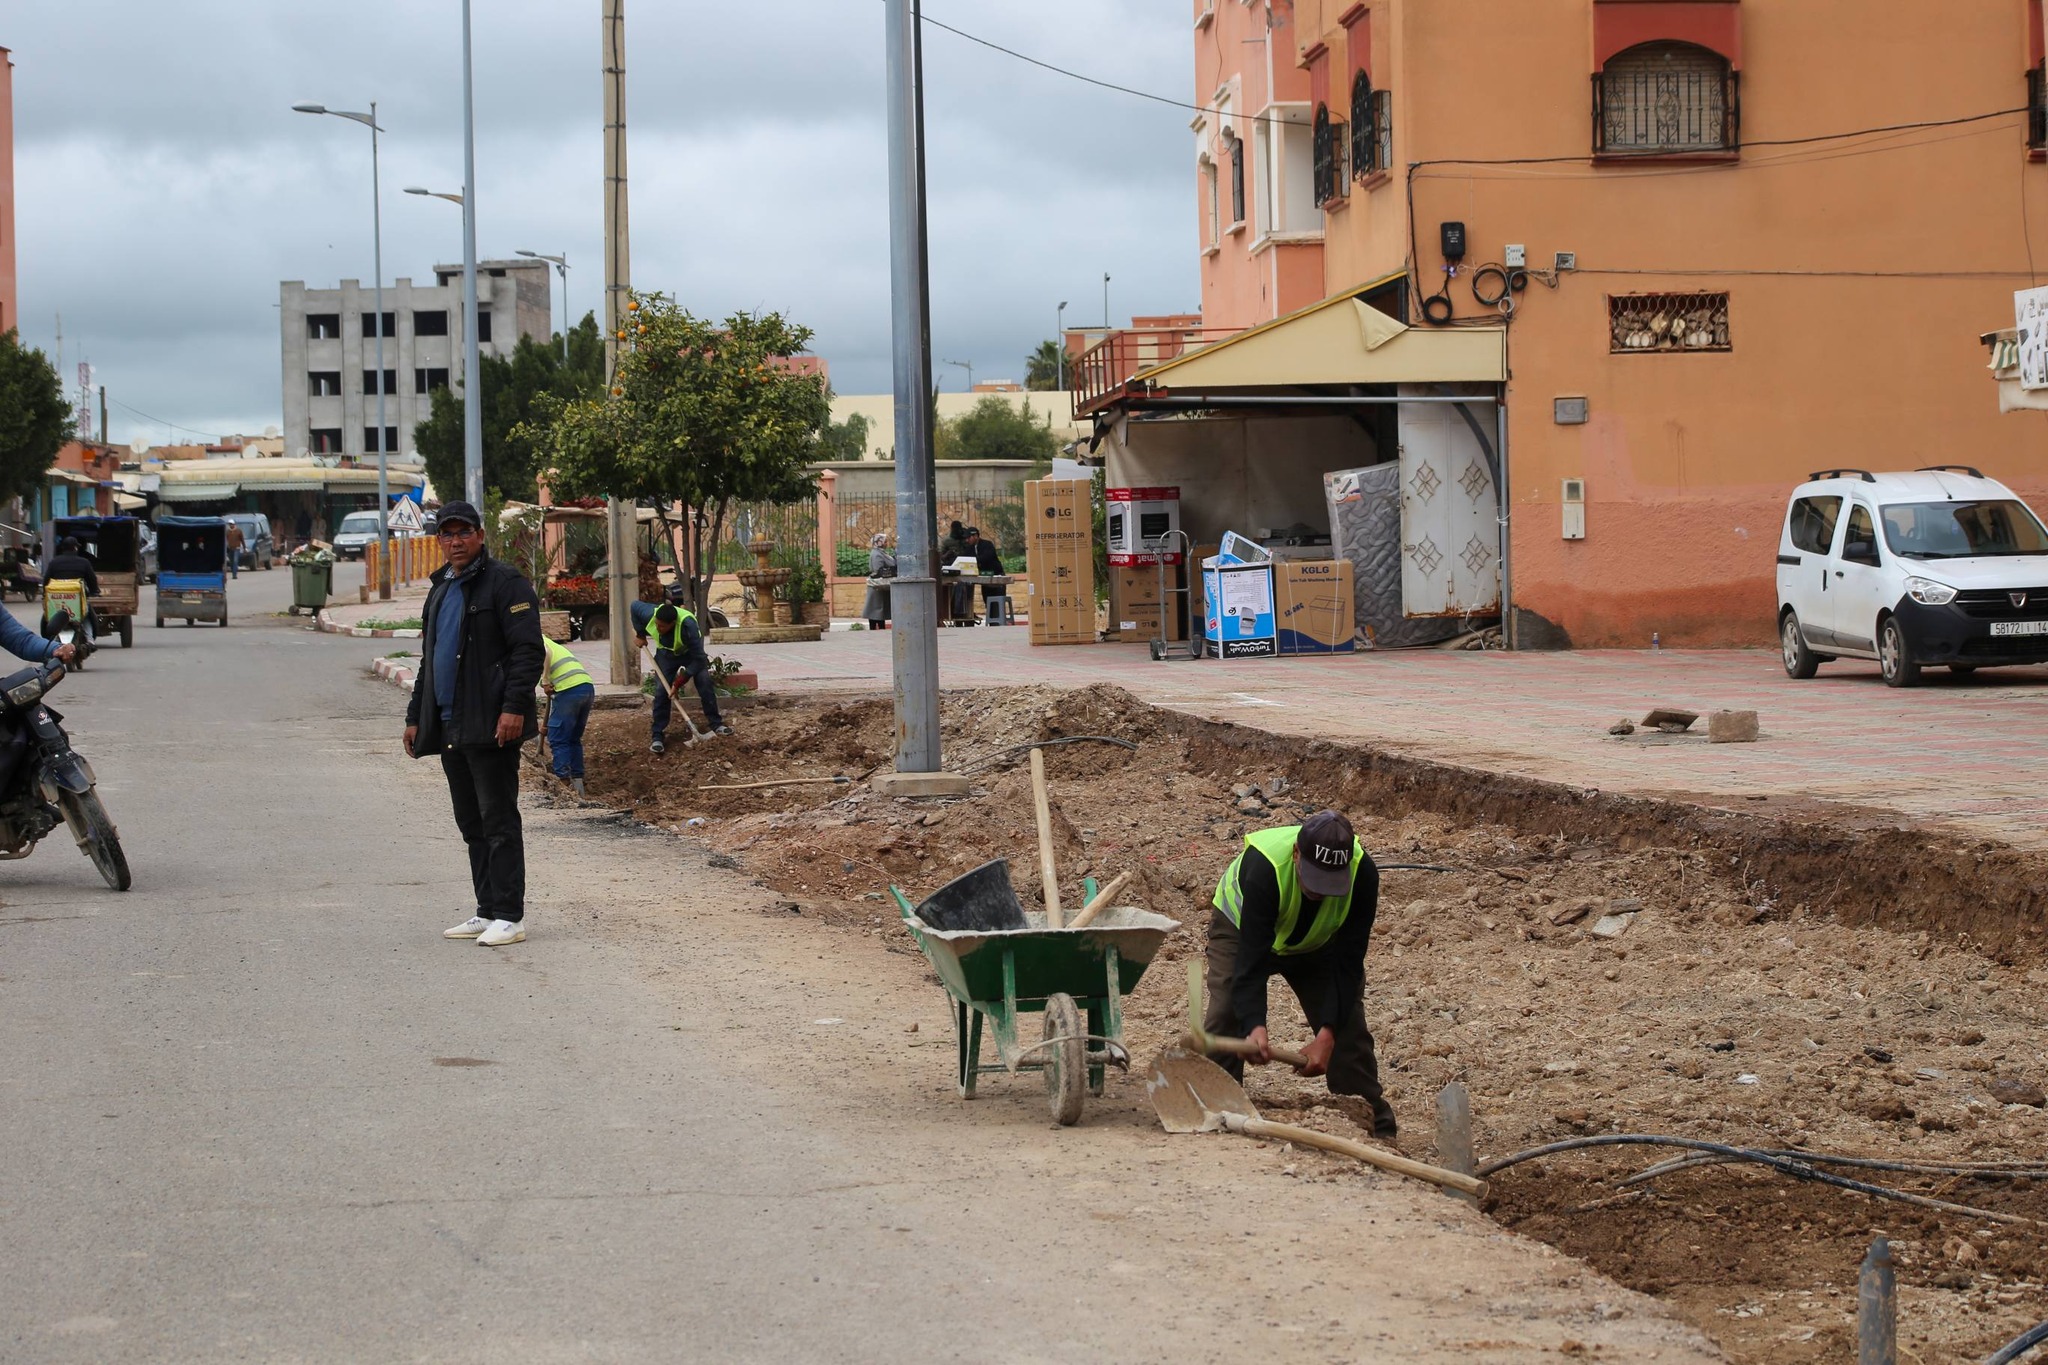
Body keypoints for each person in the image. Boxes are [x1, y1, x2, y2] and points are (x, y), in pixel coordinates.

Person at [404, 501, 544, 949]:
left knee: (498, 818)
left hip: (490, 721)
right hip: (449, 724)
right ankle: (486, 910)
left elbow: (527, 652)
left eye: (464, 532)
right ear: (439, 540)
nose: (456, 541)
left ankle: (510, 915)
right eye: (447, 534)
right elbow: (430, 659)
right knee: (471, 822)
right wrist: (413, 717)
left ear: (481, 536)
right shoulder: (441, 588)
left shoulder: (506, 583)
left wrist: (513, 708)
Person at [1204, 809, 1396, 1137]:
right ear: (1296, 854)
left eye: (1330, 883)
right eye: (1314, 878)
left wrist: (1327, 1034)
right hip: (1241, 929)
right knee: (1226, 1013)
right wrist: (1255, 1026)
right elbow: (1249, 964)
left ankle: (1373, 1125)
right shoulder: (1265, 869)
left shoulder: (1363, 874)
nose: (1320, 891)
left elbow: (1349, 963)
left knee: (1348, 1027)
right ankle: (1214, 1106)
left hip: (1318, 945)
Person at [631, 589, 731, 753]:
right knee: (662, 691)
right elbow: (634, 606)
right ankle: (657, 736)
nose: (658, 627)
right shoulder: (649, 614)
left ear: (672, 623)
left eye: (662, 626)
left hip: (690, 654)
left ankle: (716, 724)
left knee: (704, 682)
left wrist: (678, 683)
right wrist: (640, 634)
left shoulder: (688, 626)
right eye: (656, 624)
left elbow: (699, 659)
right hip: (666, 655)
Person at [541, 636, 596, 798]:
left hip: (569, 689)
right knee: (572, 738)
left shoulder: (529, 638)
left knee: (558, 739)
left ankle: (563, 785)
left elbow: (545, 652)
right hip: (586, 688)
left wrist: (544, 681)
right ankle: (578, 786)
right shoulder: (544, 639)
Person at [939, 520, 974, 625]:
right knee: (954, 591)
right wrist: (949, 554)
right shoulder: (947, 541)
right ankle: (956, 613)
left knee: (967, 589)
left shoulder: (964, 539)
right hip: (951, 569)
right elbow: (941, 557)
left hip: (965, 568)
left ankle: (966, 614)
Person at [970, 527, 1007, 620]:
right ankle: (992, 621)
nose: (967, 540)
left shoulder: (987, 545)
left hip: (996, 575)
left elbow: (986, 557)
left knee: (996, 602)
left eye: (969, 537)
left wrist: (972, 560)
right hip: (985, 578)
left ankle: (998, 621)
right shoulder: (971, 548)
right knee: (987, 600)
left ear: (976, 536)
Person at [861, 531, 895, 632]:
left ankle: (880, 627)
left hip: (880, 586)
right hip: (877, 586)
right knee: (876, 608)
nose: (886, 543)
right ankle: (876, 629)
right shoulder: (877, 554)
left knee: (879, 608)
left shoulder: (881, 552)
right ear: (878, 542)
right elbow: (878, 570)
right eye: (884, 541)